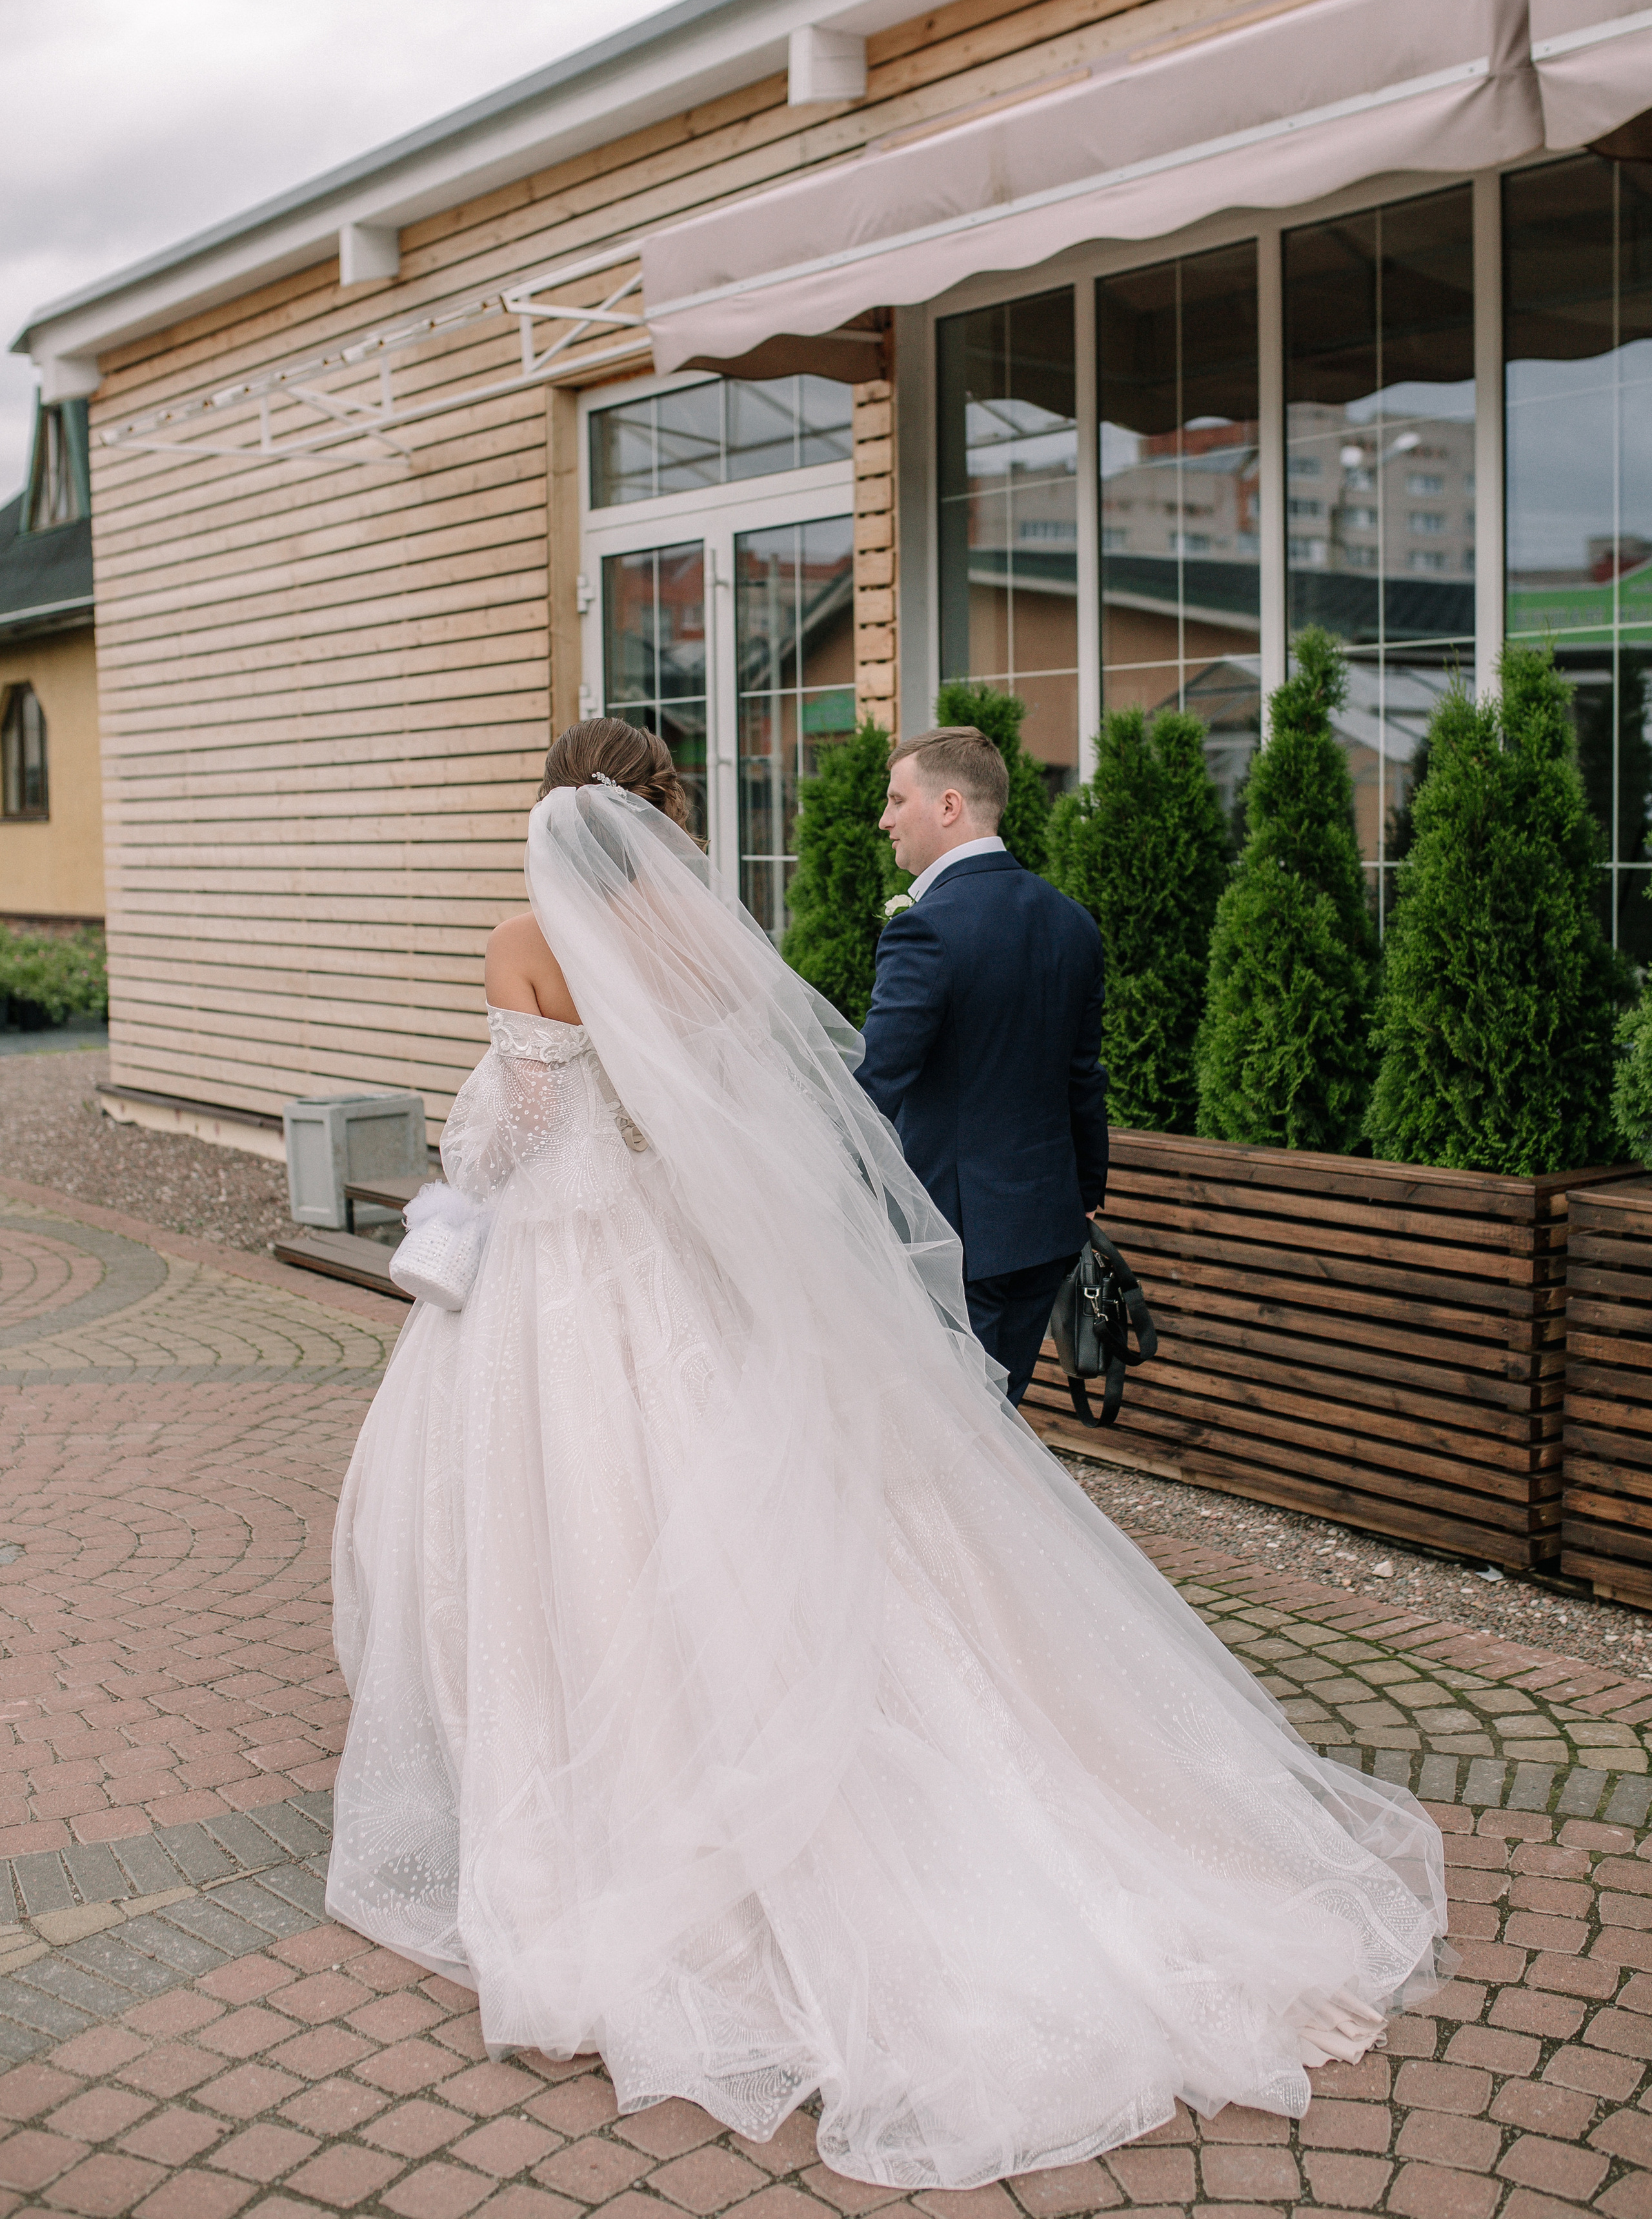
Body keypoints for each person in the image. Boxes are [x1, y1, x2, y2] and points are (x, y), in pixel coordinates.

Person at [328, 718, 1449, 2194]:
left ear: (557, 812)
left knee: (576, 1524)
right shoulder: (703, 937)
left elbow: (520, 1126)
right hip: (689, 1263)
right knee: (726, 1507)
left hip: (570, 1273)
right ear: (657, 813)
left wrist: (459, 1157)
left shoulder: (524, 934)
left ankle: (599, 1801)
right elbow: (751, 1107)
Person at [854, 725, 1108, 1405]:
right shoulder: (1072, 921)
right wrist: (1084, 1191)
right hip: (1045, 1229)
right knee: (993, 1424)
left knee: (955, 1437)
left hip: (954, 1236)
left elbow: (875, 1081)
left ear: (946, 806)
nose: (884, 819)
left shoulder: (925, 928)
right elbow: (1083, 1075)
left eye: (894, 799)